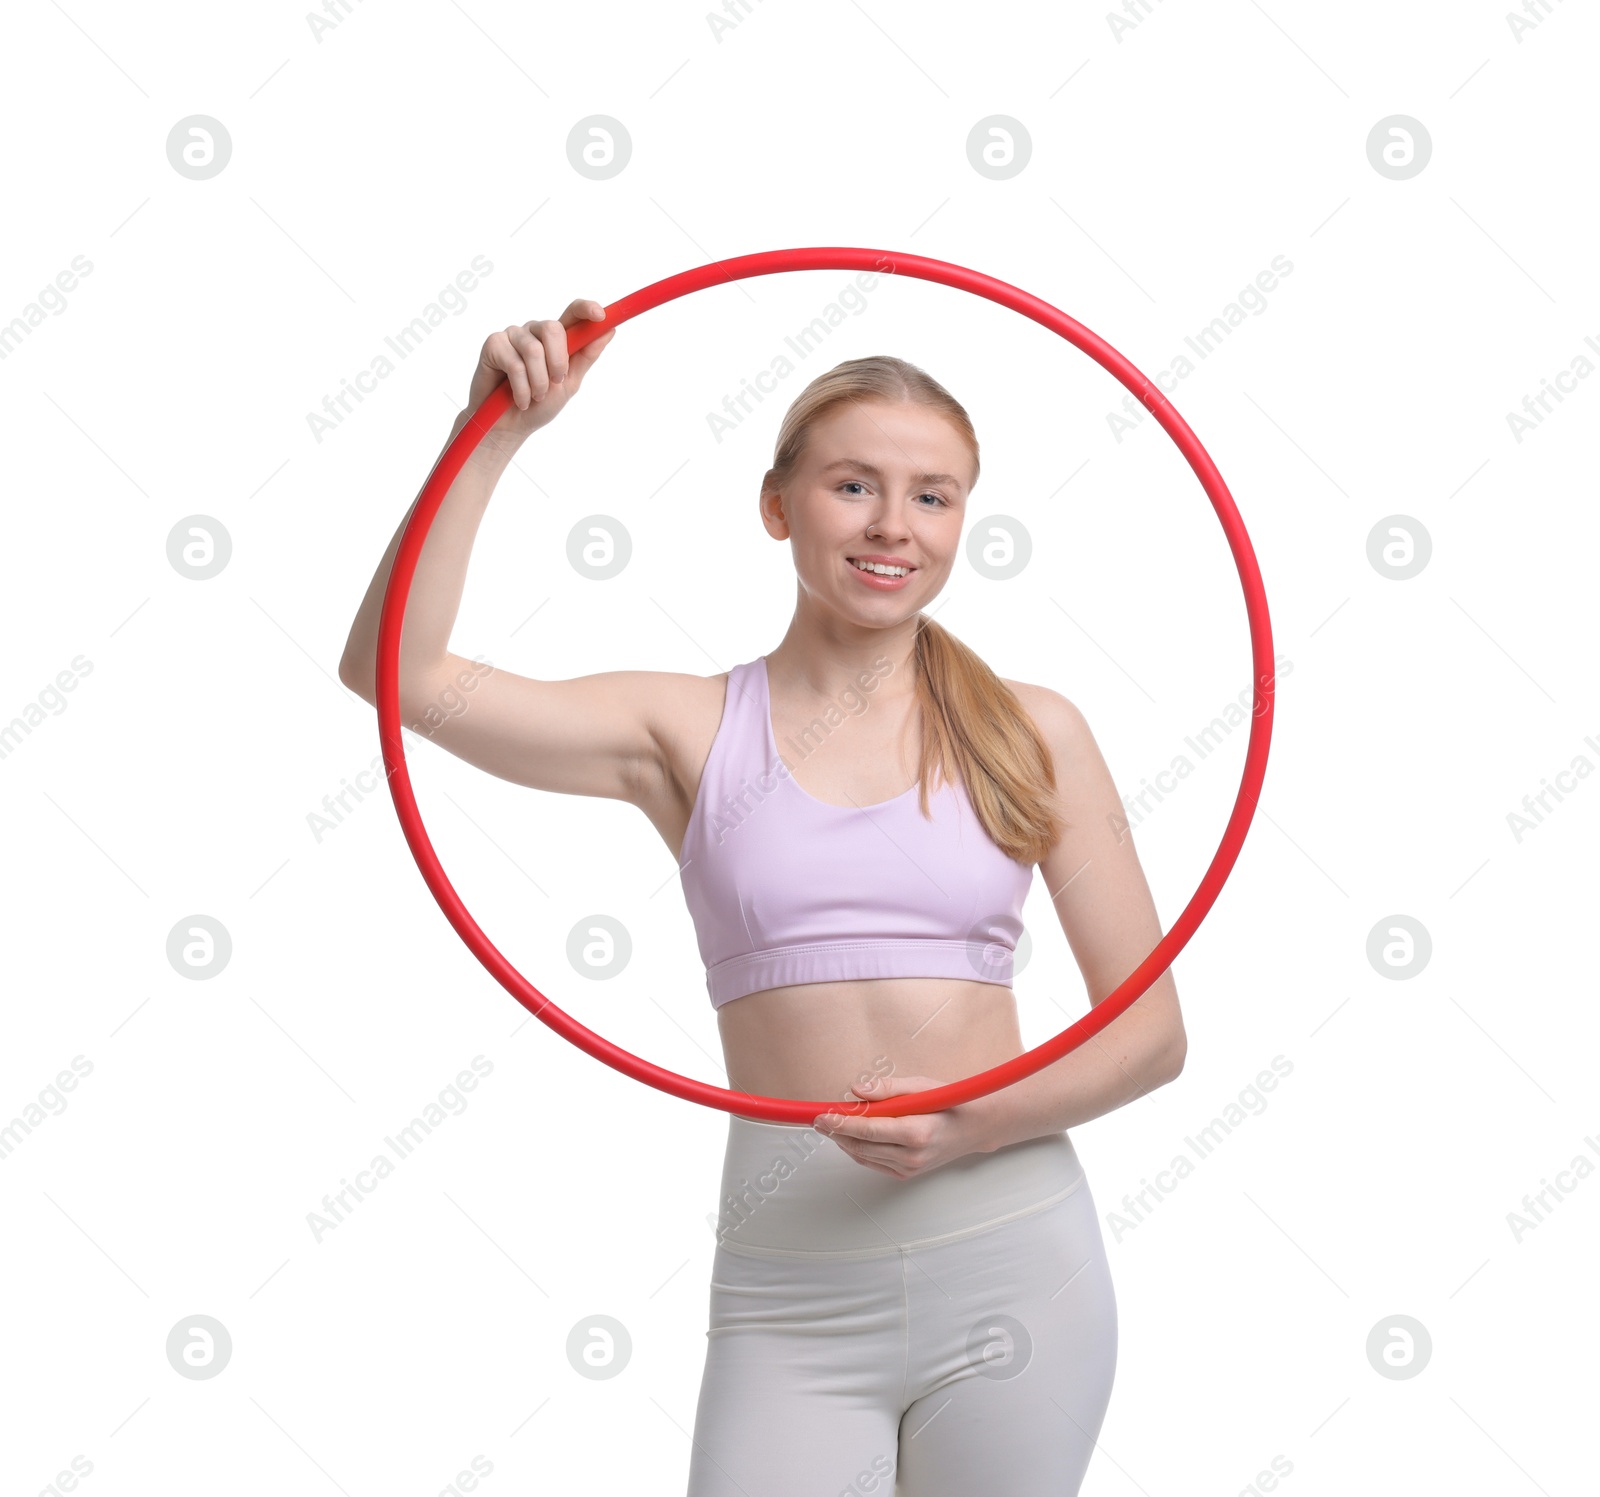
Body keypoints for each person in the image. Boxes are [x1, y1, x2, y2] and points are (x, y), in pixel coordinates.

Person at [339, 300, 1188, 1495]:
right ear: (776, 504)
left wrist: (972, 1124)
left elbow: (1150, 1035)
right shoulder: (683, 728)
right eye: (853, 486)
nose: (894, 526)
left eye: (933, 496)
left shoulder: (1031, 730)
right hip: (790, 1291)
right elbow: (396, 673)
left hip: (1011, 1265)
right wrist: (492, 436)